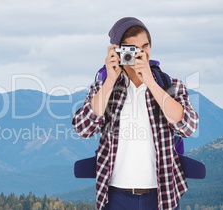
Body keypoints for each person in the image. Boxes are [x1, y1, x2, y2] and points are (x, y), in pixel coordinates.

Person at [72, 17, 199, 210]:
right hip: (114, 196)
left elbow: (188, 127)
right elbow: (83, 129)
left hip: (162, 195)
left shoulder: (171, 86)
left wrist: (150, 82)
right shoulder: (103, 88)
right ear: (117, 51)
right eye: (133, 49)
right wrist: (109, 81)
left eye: (145, 46)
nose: (141, 54)